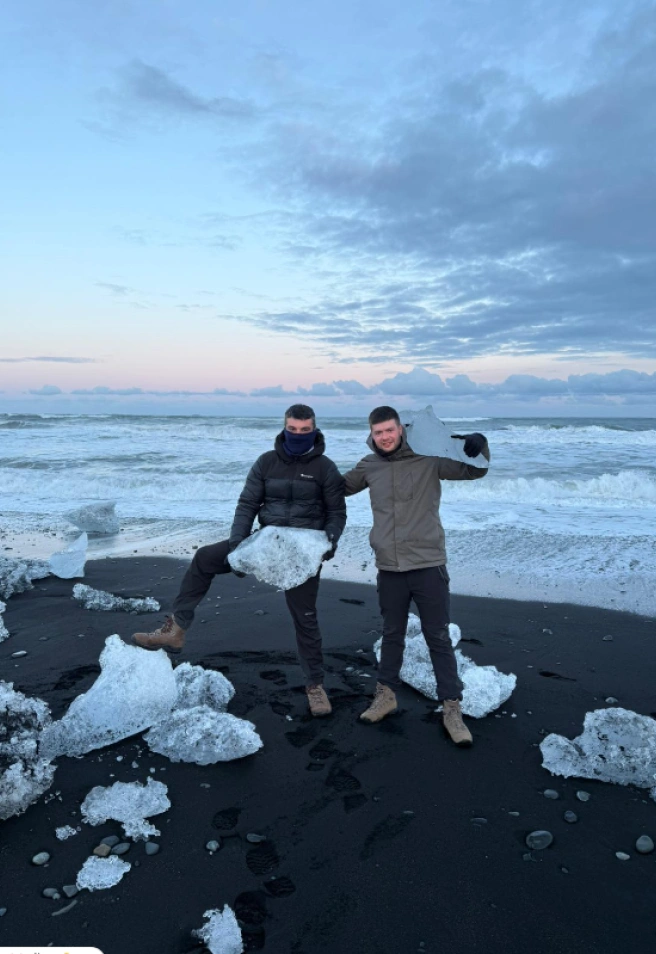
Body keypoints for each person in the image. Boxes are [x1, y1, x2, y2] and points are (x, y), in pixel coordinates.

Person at [133, 404, 346, 717]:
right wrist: (237, 546)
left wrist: (326, 545)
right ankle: (176, 628)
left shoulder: (325, 468)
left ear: (314, 430)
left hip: (301, 551)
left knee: (305, 617)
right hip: (264, 541)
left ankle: (315, 686)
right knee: (205, 558)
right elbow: (247, 504)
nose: (298, 435)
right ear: (284, 428)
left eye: (304, 430)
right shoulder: (266, 462)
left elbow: (336, 513)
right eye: (293, 429)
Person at [343, 406, 490, 746]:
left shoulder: (429, 458)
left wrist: (479, 443)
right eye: (378, 432)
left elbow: (473, 471)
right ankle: (385, 695)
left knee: (437, 636)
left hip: (428, 565)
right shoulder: (370, 466)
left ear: (401, 429)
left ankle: (451, 707)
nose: (385, 437)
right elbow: (336, 488)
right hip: (389, 567)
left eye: (390, 430)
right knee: (391, 633)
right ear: (372, 434)